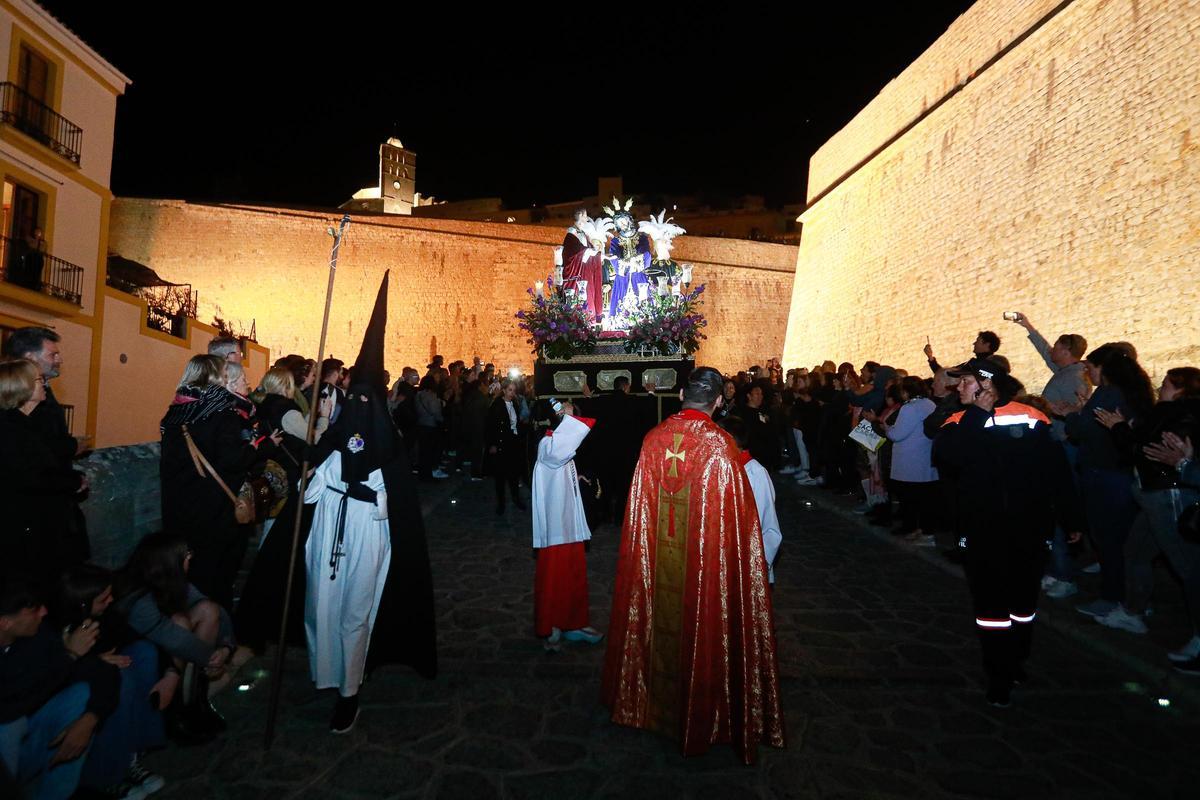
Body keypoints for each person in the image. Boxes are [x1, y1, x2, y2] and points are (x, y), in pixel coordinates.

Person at [602, 366, 785, 763]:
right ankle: (706, 711)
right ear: (719, 401)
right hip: (705, 569)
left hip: (660, 559)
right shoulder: (722, 448)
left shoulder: (652, 441)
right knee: (703, 624)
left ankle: (648, 703)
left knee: (661, 621)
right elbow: (740, 529)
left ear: (682, 392)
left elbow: (639, 518)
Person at [304, 272, 437, 735]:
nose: (359, 406)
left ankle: (349, 690)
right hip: (327, 533)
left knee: (355, 612)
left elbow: (392, 506)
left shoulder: (389, 448)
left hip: (365, 534)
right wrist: (319, 440)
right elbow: (310, 490)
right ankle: (327, 673)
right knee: (322, 605)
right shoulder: (335, 437)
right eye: (353, 398)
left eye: (367, 399)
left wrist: (367, 493)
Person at [933, 358, 1082, 707]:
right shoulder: (960, 420)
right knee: (990, 609)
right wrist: (977, 416)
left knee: (1023, 604)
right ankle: (999, 673)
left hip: (1028, 531)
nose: (958, 387)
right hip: (983, 532)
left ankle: (1016, 659)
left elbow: (1057, 473)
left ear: (986, 385)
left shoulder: (1031, 418)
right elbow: (948, 457)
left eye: (965, 381)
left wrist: (1072, 519)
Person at [159, 354, 279, 612]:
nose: (227, 380)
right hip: (213, 507)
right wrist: (254, 448)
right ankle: (213, 633)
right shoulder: (219, 413)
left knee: (187, 572)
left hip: (179, 505)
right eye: (224, 375)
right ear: (213, 377)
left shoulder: (175, 411)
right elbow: (233, 460)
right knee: (215, 574)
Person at [1091, 367, 1200, 644]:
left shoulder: (1176, 414)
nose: (1160, 388)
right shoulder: (1171, 414)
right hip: (1153, 494)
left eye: (1165, 384)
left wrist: (1118, 428)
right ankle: (1133, 611)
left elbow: (1144, 449)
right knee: (1136, 552)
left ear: (1181, 390)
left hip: (1167, 494)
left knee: (1188, 568)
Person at [50, 565, 167, 796]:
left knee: (143, 652)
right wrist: (88, 659)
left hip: (97, 667)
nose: (111, 600)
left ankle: (132, 754)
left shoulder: (105, 615)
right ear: (83, 602)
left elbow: (130, 635)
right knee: (117, 677)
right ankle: (108, 775)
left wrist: (172, 671)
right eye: (103, 598)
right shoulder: (54, 626)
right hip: (71, 683)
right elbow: (52, 672)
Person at [1, 574, 120, 800]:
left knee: (82, 696)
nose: (44, 612)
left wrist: (90, 718)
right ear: (5, 622)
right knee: (8, 726)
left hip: (29, 743)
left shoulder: (39, 635)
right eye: (34, 610)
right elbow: (10, 706)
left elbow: (101, 672)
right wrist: (70, 656)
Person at [114, 533, 234, 745]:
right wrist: (212, 659)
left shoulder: (173, 580)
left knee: (207, 610)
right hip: (138, 650)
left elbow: (215, 610)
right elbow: (172, 637)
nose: (191, 558)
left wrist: (225, 647)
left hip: (169, 649)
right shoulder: (137, 596)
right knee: (180, 622)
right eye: (186, 555)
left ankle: (195, 701)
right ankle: (180, 711)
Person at [0, 358, 89, 593]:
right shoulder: (11, 430)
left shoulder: (26, 426)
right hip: (24, 533)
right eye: (39, 380)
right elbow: (31, 477)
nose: (44, 385)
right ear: (23, 386)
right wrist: (73, 482)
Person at [531, 396, 604, 650]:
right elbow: (560, 450)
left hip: (568, 523)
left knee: (573, 575)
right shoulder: (547, 444)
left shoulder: (556, 441)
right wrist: (571, 419)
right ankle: (552, 622)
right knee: (556, 577)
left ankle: (574, 622)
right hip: (556, 529)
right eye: (562, 411)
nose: (568, 413)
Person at [720, 416, 783, 584]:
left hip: (747, 560)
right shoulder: (722, 468)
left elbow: (767, 522)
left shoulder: (755, 473)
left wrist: (760, 563)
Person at [882, 376, 938, 545]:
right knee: (924, 499)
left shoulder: (909, 408)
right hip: (924, 457)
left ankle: (918, 531)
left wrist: (887, 429)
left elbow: (897, 434)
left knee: (910, 499)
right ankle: (923, 530)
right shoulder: (930, 404)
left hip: (909, 459)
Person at [486, 379, 527, 515]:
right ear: (504, 390)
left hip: (513, 443)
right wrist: (493, 444)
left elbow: (515, 423)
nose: (512, 393)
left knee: (514, 474)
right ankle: (501, 503)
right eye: (510, 390)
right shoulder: (497, 405)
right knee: (500, 476)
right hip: (502, 444)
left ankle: (516, 498)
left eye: (514, 390)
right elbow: (491, 426)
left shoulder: (515, 403)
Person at [561, 209, 606, 323]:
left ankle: (590, 318)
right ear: (580, 217)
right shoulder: (571, 235)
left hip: (586, 271)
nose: (586, 218)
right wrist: (588, 251)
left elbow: (589, 249)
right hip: (578, 272)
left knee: (589, 294)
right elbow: (573, 252)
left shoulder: (583, 234)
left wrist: (598, 253)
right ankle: (581, 320)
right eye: (585, 216)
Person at [925, 330, 1000, 374]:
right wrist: (930, 357)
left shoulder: (975, 365)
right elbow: (944, 374)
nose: (974, 343)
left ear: (987, 344)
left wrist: (931, 358)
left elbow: (946, 375)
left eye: (977, 341)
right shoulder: (973, 364)